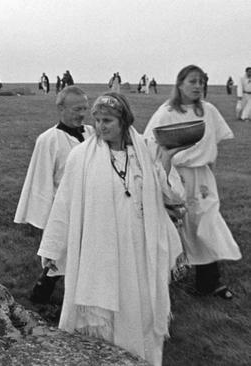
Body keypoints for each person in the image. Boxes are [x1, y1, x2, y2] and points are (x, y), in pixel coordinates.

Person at [38, 92, 185, 366]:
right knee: (102, 317)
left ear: (124, 121)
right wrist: (52, 248)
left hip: (138, 248)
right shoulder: (81, 157)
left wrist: (166, 159)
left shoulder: (144, 152)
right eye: (98, 119)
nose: (101, 126)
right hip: (100, 249)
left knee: (137, 308)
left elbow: (173, 196)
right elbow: (64, 204)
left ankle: (140, 357)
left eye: (108, 120)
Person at [144, 65, 241, 300]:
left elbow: (213, 143)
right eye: (193, 81)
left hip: (203, 178)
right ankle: (162, 282)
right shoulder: (166, 112)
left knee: (207, 224)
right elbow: (150, 142)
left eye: (202, 82)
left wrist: (209, 169)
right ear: (180, 84)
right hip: (177, 176)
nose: (198, 86)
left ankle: (209, 282)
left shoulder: (208, 110)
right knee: (176, 226)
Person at [14, 86, 94, 303]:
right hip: (62, 206)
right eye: (77, 109)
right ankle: (41, 293)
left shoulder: (91, 134)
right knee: (58, 251)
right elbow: (41, 180)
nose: (82, 114)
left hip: (90, 204)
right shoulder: (48, 140)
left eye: (85, 109)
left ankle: (82, 293)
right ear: (61, 108)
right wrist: (45, 216)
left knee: (85, 251)